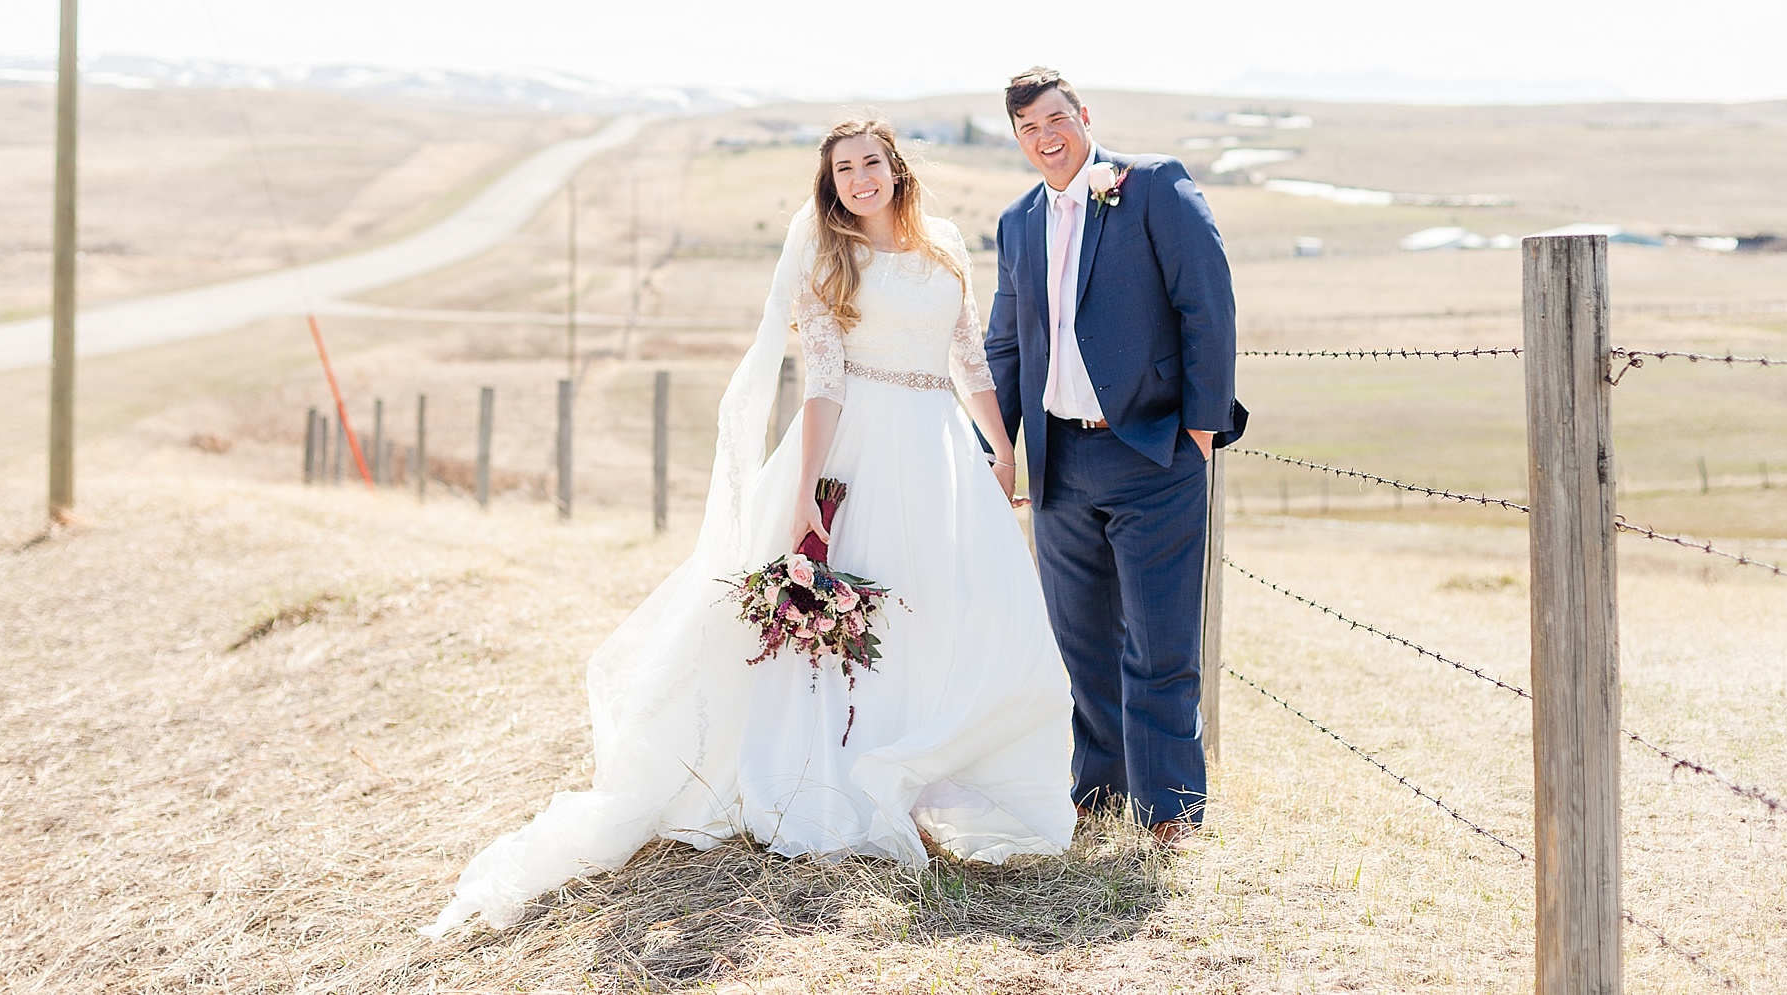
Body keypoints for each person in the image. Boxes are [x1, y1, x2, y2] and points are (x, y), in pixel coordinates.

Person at [420, 117, 1075, 939]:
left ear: (896, 168)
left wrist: (1000, 445)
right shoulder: (827, 259)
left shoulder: (944, 242)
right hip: (859, 445)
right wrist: (806, 490)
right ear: (830, 184)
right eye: (844, 169)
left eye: (872, 162)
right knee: (857, 618)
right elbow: (825, 382)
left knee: (943, 605)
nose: (861, 178)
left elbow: (967, 354)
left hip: (938, 443)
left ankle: (926, 771)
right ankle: (843, 775)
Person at [984, 67, 1245, 845]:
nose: (1045, 137)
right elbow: (1004, 342)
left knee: (1160, 640)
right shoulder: (1017, 222)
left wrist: (1199, 427)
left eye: (1055, 118)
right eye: (1028, 128)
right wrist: (996, 451)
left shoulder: (1152, 186)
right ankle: (1098, 793)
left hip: (1152, 451)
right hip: (1060, 464)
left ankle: (1170, 810)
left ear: (1082, 115)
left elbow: (1208, 301)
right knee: (1083, 642)